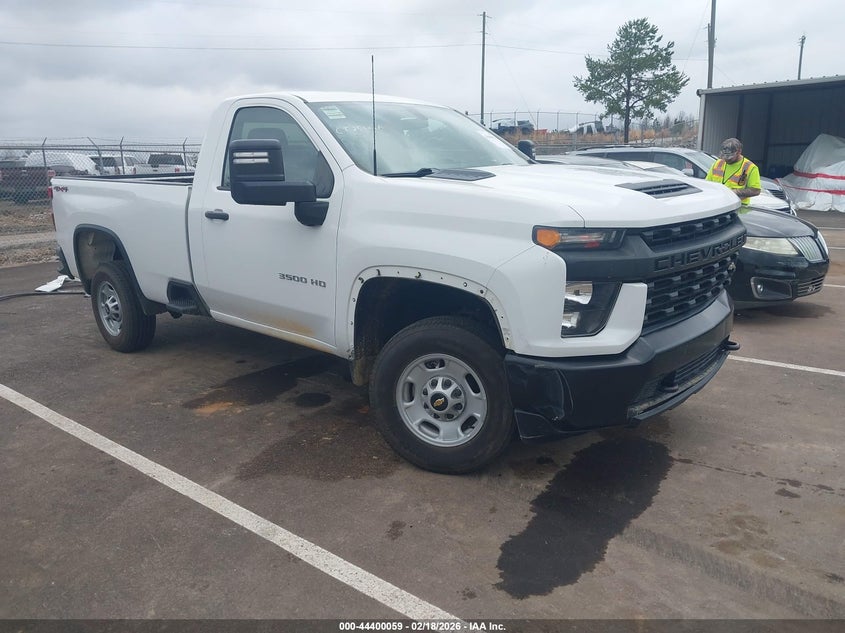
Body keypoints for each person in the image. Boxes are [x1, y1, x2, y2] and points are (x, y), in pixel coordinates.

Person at [706, 138, 761, 205]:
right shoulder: (718, 163)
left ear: (739, 152)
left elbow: (756, 190)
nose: (726, 159)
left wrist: (734, 192)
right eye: (724, 156)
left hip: (737, 207)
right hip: (717, 204)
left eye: (730, 157)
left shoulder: (750, 167)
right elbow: (707, 184)